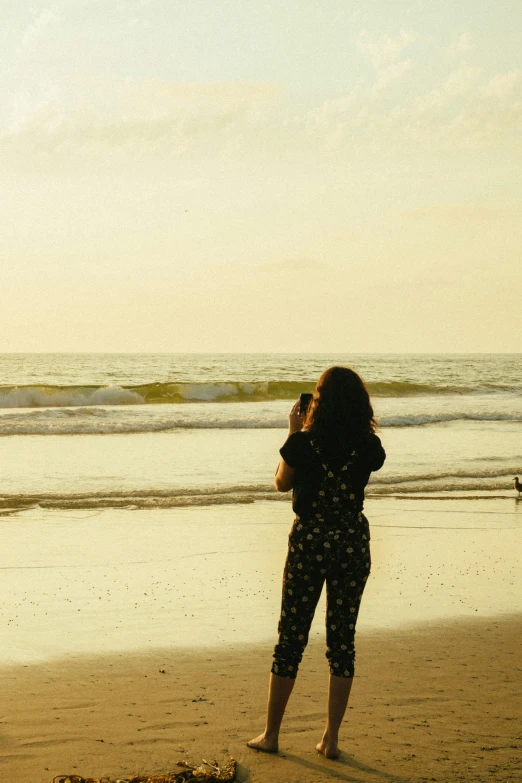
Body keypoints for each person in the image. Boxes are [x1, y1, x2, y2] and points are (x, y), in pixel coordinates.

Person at [247, 366, 386, 759]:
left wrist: (294, 429)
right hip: (352, 542)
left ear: (317, 401)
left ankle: (272, 734)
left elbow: (281, 483)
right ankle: (331, 739)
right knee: (342, 640)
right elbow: (369, 467)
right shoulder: (368, 445)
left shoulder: (304, 443)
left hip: (310, 542)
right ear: (360, 403)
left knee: (291, 637)